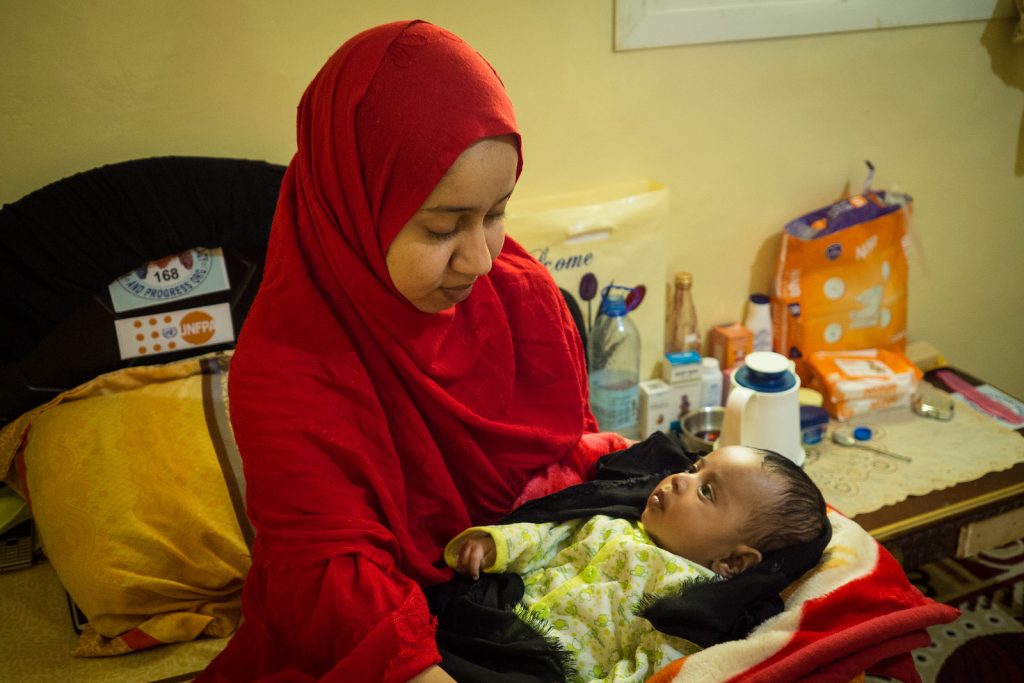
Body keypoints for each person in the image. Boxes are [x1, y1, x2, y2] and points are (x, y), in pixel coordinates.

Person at [197, 20, 627, 683]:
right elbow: (338, 594)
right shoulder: (285, 371)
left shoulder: (524, 297)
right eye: (441, 225)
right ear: (355, 206)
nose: (482, 259)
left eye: (495, 213)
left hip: (530, 588)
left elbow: (568, 471)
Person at [444, 445, 829, 681]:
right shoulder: (614, 520)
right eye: (695, 469)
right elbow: (550, 535)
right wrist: (496, 545)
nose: (680, 479)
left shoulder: (689, 602)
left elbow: (648, 668)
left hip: (545, 669)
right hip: (497, 619)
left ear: (732, 560)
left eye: (706, 491)